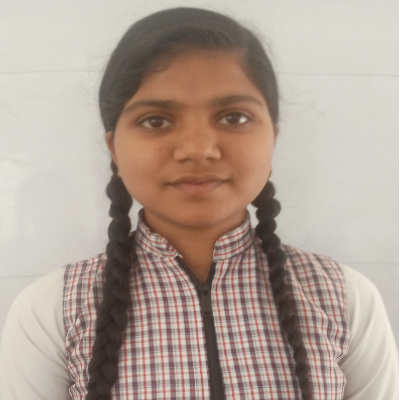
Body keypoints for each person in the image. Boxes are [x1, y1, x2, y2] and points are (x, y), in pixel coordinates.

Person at [0, 7, 398, 400]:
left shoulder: (343, 298)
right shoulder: (52, 311)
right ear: (114, 148)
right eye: (156, 120)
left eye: (234, 117)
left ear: (272, 138)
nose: (198, 149)